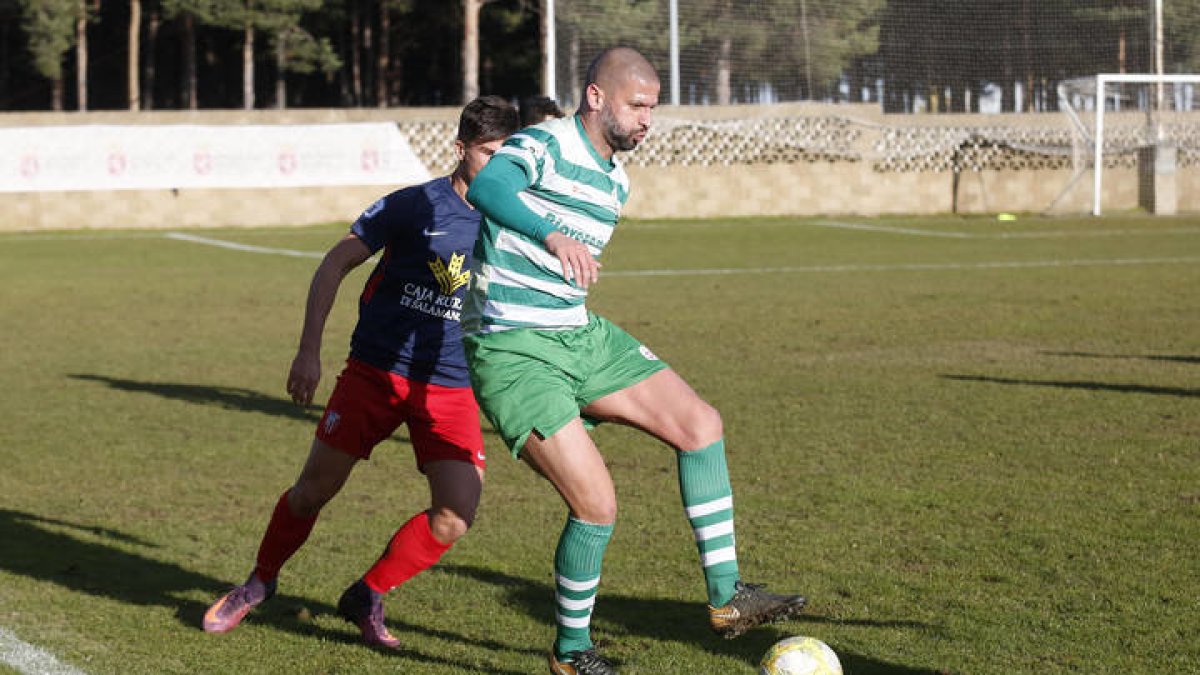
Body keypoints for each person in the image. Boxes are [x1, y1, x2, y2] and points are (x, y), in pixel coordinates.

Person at [462, 48, 806, 675]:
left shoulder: (617, 180)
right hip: (513, 349)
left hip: (576, 335)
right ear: (596, 97)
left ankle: (728, 597)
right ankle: (571, 656)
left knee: (701, 423)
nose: (648, 118)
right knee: (597, 505)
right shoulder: (542, 144)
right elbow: (488, 186)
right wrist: (551, 232)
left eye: (653, 107)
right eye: (638, 104)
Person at [202, 96, 520, 648]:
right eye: (488, 153)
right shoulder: (413, 206)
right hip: (375, 373)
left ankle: (367, 594)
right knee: (311, 492)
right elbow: (335, 262)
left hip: (450, 386)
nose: (497, 167)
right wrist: (308, 351)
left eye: (506, 156)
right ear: (461, 148)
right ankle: (257, 583)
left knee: (456, 514)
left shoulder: (512, 223)